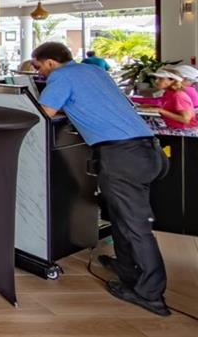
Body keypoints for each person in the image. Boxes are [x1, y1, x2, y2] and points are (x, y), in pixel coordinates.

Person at [31, 42, 170, 316]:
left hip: (123, 156)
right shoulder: (93, 72)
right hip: (147, 151)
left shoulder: (61, 76)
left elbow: (43, 113)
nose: (40, 73)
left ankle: (150, 293)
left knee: (135, 225)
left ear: (50, 62)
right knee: (120, 214)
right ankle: (127, 267)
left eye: (38, 67)